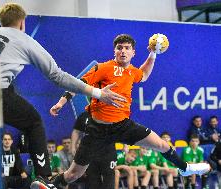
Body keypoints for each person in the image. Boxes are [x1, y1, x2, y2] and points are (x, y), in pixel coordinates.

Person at [0, 3, 125, 186]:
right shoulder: (24, 39)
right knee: (33, 122)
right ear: (22, 23)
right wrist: (98, 92)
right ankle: (44, 178)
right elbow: (57, 75)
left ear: (2, 22)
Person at [45, 34, 210, 189]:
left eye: (126, 48)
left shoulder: (132, 71)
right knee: (74, 174)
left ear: (133, 52)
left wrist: (153, 54)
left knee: (161, 144)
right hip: (97, 129)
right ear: (115, 51)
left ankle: (185, 168)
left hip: (123, 126)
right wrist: (61, 102)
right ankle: (50, 184)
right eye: (119, 48)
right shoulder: (103, 68)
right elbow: (78, 84)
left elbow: (144, 74)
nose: (122, 51)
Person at [71, 111, 117, 189]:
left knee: (109, 178)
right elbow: (76, 131)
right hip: (90, 153)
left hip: (108, 153)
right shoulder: (84, 115)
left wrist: (125, 145)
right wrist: (73, 147)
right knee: (92, 180)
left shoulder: (111, 113)